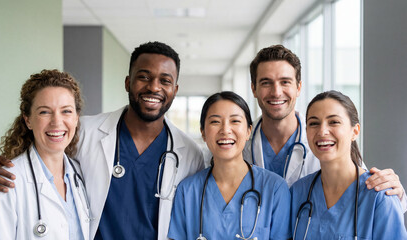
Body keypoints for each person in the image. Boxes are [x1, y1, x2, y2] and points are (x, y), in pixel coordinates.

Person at [0, 42, 205, 239]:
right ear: (128, 82)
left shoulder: (190, 154)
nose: (154, 87)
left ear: (175, 90)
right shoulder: (85, 131)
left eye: (164, 81)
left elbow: (192, 218)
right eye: (143, 77)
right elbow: (41, 157)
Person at [243, 44, 406, 208]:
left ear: (298, 87)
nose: (276, 92)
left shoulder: (325, 140)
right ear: (254, 89)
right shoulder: (239, 143)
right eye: (266, 83)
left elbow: (367, 191)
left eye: (285, 82)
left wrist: (396, 193)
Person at [0, 69, 90, 239]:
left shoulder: (80, 174)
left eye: (66, 111)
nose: (57, 122)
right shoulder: (3, 181)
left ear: (76, 117)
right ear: (28, 120)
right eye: (44, 112)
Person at [168, 91, 291, 240]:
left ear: (248, 131)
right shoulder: (187, 191)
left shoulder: (274, 188)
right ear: (203, 133)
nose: (225, 130)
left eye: (235, 121)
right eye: (215, 122)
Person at [290, 90, 407, 239]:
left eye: (334, 122)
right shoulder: (298, 193)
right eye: (314, 123)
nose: (322, 131)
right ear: (306, 131)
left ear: (355, 131)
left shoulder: (380, 196)